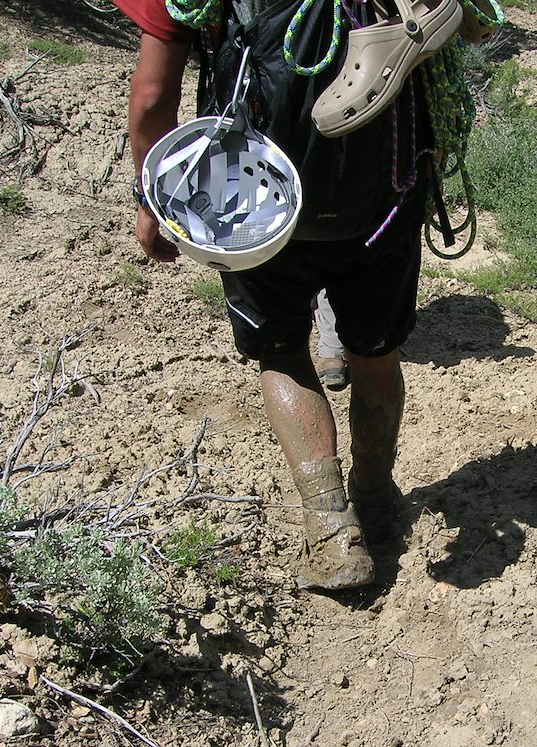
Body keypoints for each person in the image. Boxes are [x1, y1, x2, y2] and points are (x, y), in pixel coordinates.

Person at [115, 0, 430, 590]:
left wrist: (149, 197)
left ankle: (332, 533)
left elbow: (153, 94)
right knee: (374, 351)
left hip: (254, 191)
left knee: (281, 349)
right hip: (384, 188)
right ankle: (377, 504)